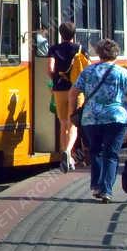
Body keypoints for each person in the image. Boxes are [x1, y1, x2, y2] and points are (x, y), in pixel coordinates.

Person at [67, 38, 127, 203]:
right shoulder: (122, 73)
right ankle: (106, 190)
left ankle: (96, 186)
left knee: (95, 152)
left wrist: (72, 112)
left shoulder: (88, 71)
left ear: (99, 54)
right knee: (111, 154)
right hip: (116, 119)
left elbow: (73, 92)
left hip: (91, 120)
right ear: (116, 54)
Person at [47, 22, 81, 171]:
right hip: (76, 89)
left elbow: (50, 69)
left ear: (61, 34)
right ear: (74, 34)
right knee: (73, 123)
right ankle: (69, 152)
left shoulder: (54, 49)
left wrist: (55, 80)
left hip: (59, 88)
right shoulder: (79, 48)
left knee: (63, 123)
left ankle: (64, 155)